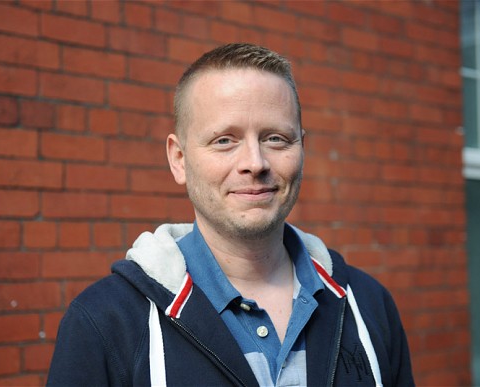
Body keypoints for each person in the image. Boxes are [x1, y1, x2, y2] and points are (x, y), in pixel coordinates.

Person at [47, 43, 414, 387]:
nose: (255, 163)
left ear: (302, 148)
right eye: (225, 140)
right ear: (179, 159)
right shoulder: (104, 323)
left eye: (276, 138)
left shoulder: (369, 305)